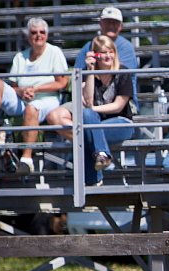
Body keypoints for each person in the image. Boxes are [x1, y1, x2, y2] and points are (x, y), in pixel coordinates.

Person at [0, 18, 69, 172]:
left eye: (42, 32)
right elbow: (14, 86)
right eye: (34, 32)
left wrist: (36, 89)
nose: (38, 35)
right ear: (28, 36)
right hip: (23, 100)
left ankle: (26, 159)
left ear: (47, 35)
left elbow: (62, 82)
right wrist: (22, 91)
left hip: (48, 100)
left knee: (32, 108)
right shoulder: (20, 57)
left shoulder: (55, 52)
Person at [46, 36, 134, 186]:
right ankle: (102, 156)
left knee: (85, 134)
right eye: (103, 53)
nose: (108, 56)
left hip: (121, 123)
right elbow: (88, 102)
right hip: (95, 123)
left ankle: (93, 179)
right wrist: (91, 71)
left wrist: (94, 109)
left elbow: (118, 106)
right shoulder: (89, 74)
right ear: (95, 55)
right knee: (86, 119)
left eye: (111, 52)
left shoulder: (123, 72)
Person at [73, 6, 139, 112]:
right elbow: (77, 76)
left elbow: (119, 79)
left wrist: (92, 108)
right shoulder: (88, 46)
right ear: (100, 24)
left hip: (120, 102)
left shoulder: (126, 48)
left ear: (121, 26)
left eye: (115, 22)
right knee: (58, 115)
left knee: (87, 114)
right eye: (107, 22)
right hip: (90, 100)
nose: (111, 26)